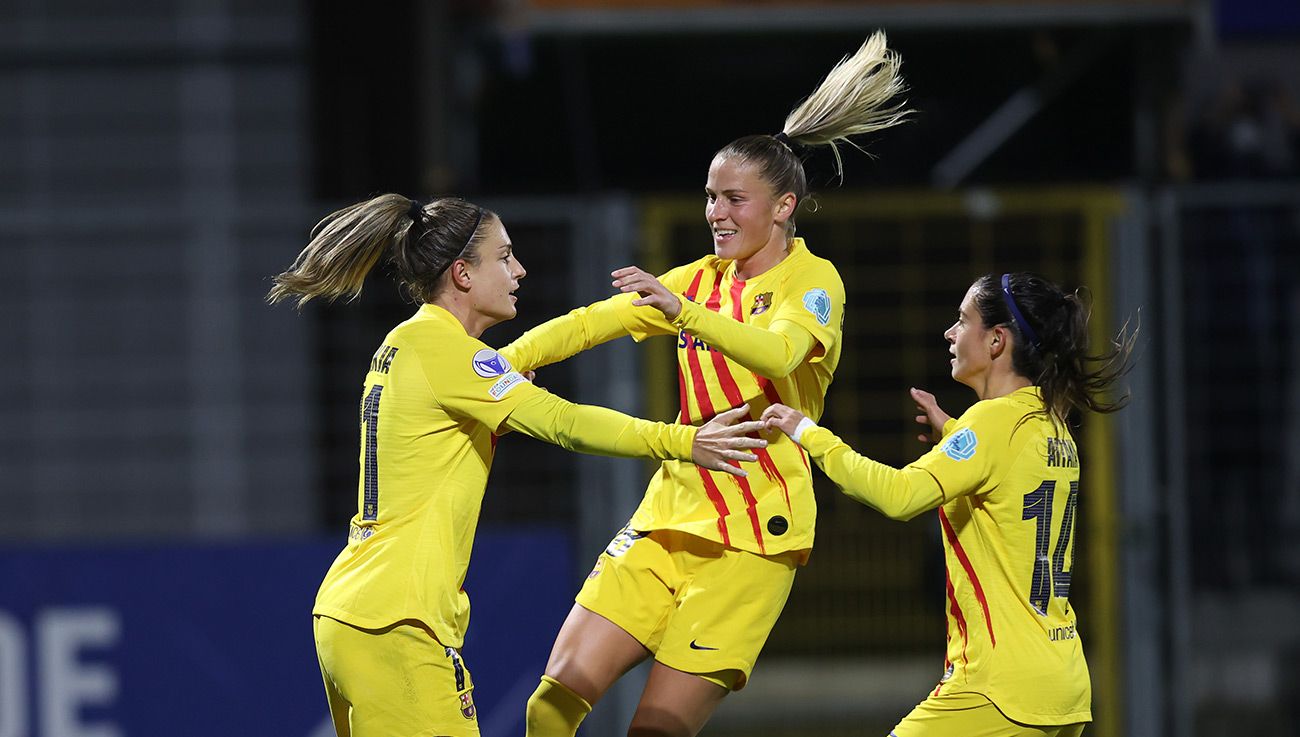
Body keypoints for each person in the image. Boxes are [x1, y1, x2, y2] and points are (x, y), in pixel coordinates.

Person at [502, 32, 911, 737]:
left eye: (733, 199)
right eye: (709, 198)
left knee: (654, 732)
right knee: (550, 704)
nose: (716, 213)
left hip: (753, 542)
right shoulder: (700, 280)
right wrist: (497, 365)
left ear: (783, 207)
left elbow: (781, 354)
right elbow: (587, 323)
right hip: (665, 521)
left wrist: (683, 310)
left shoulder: (814, 283)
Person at [266, 194, 768, 737]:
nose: (519, 270)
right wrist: (683, 441)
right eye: (504, 257)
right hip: (398, 622)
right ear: (462, 273)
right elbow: (563, 421)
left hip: (357, 614)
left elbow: (445, 430)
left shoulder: (407, 344)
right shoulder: (446, 352)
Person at [762, 272, 1137, 737]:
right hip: (1063, 684)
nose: (950, 333)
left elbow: (898, 497)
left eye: (963, 321)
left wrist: (808, 434)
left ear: (997, 340)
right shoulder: (1050, 423)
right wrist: (955, 432)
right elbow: (1002, 478)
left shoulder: (991, 425)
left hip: (998, 688)